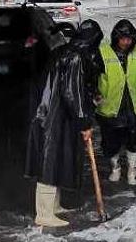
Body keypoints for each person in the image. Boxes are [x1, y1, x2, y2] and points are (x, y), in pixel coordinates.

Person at [25, 19, 105, 228]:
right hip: (54, 117)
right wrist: (84, 123)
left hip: (49, 114)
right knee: (49, 163)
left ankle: (55, 206)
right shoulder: (76, 58)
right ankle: (44, 213)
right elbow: (73, 93)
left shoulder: (63, 51)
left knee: (55, 160)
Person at [95, 18, 136, 188]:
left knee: (134, 140)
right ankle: (115, 167)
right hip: (110, 108)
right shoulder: (102, 53)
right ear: (116, 37)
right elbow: (90, 76)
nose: (126, 42)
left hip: (133, 107)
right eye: (123, 38)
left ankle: (132, 170)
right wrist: (93, 94)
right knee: (111, 142)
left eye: (129, 39)